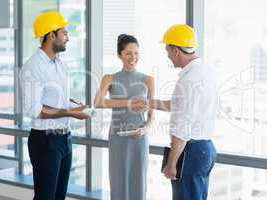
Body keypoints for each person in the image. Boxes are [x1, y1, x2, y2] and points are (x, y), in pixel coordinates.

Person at [20, 11, 90, 200]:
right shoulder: (33, 67)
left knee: (59, 197)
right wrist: (70, 112)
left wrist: (74, 106)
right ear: (51, 35)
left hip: (64, 138)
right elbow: (33, 110)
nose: (68, 38)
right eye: (64, 33)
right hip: (45, 141)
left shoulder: (59, 64)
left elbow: (55, 99)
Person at [149, 24, 218, 199]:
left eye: (167, 51)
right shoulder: (205, 71)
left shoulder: (188, 80)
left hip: (191, 151)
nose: (168, 56)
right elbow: (180, 106)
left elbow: (182, 126)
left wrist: (172, 163)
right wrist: (149, 103)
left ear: (176, 51)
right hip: (205, 148)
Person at [94, 34, 154, 200]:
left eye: (136, 53)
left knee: (139, 185)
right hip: (117, 138)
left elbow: (151, 117)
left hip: (139, 139)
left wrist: (144, 130)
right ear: (119, 54)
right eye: (128, 53)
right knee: (118, 184)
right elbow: (98, 102)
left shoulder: (148, 80)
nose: (133, 57)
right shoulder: (110, 78)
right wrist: (128, 103)